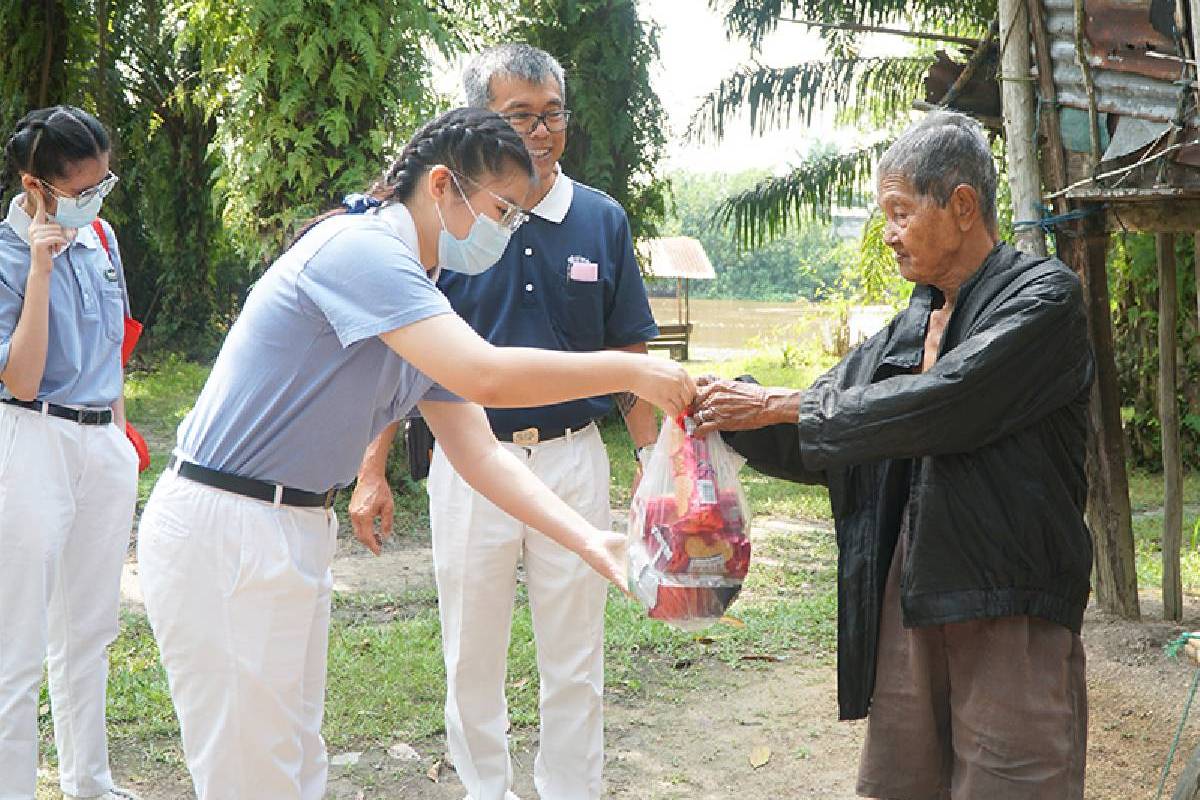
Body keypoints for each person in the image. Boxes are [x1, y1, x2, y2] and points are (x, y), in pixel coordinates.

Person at [137, 106, 694, 800]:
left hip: (295, 525)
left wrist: (591, 543)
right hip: (229, 523)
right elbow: (486, 373)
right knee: (252, 775)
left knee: (291, 762)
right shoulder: (362, 251)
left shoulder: (420, 295)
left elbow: (480, 453)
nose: (507, 229)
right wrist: (630, 370)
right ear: (441, 185)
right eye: (501, 210)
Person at [693, 111, 1094, 799]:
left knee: (1011, 782)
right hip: (909, 601)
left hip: (1008, 604)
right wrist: (723, 409)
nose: (889, 234)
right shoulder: (909, 325)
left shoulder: (1044, 299)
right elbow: (830, 427)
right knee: (902, 786)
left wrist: (788, 403)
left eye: (901, 212)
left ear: (962, 206)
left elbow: (948, 401)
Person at [351, 44, 661, 800]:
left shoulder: (600, 219)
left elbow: (628, 353)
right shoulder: (450, 225)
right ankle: (485, 790)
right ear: (479, 123)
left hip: (573, 458)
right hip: (469, 459)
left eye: (551, 113)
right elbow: (405, 353)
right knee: (472, 653)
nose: (540, 130)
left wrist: (655, 462)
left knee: (575, 651)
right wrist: (371, 469)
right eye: (518, 115)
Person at [0, 106, 140, 800]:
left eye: (103, 185)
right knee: (17, 642)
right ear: (36, 185)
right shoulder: (4, 252)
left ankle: (90, 780)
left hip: (101, 441)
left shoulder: (102, 237)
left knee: (91, 627)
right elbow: (21, 378)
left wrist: (119, 435)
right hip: (32, 437)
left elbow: (114, 342)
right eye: (83, 190)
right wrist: (38, 268)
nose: (95, 200)